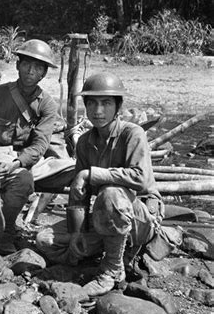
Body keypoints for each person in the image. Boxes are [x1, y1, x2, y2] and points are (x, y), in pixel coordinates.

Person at [36, 72, 164, 296]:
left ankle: (112, 269)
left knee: (111, 194)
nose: (98, 111)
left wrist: (92, 174)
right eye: (92, 103)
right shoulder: (85, 142)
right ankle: (113, 249)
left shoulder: (132, 134)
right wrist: (76, 233)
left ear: (118, 106)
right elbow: (79, 196)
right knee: (45, 240)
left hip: (139, 218)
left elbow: (140, 178)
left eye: (106, 103)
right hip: (105, 218)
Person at [0, 39, 59, 254]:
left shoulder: (47, 104)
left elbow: (40, 144)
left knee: (73, 172)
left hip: (29, 158)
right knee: (23, 180)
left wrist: (18, 162)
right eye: (26, 64)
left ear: (44, 73)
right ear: (17, 65)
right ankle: (5, 234)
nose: (31, 71)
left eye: (38, 68)